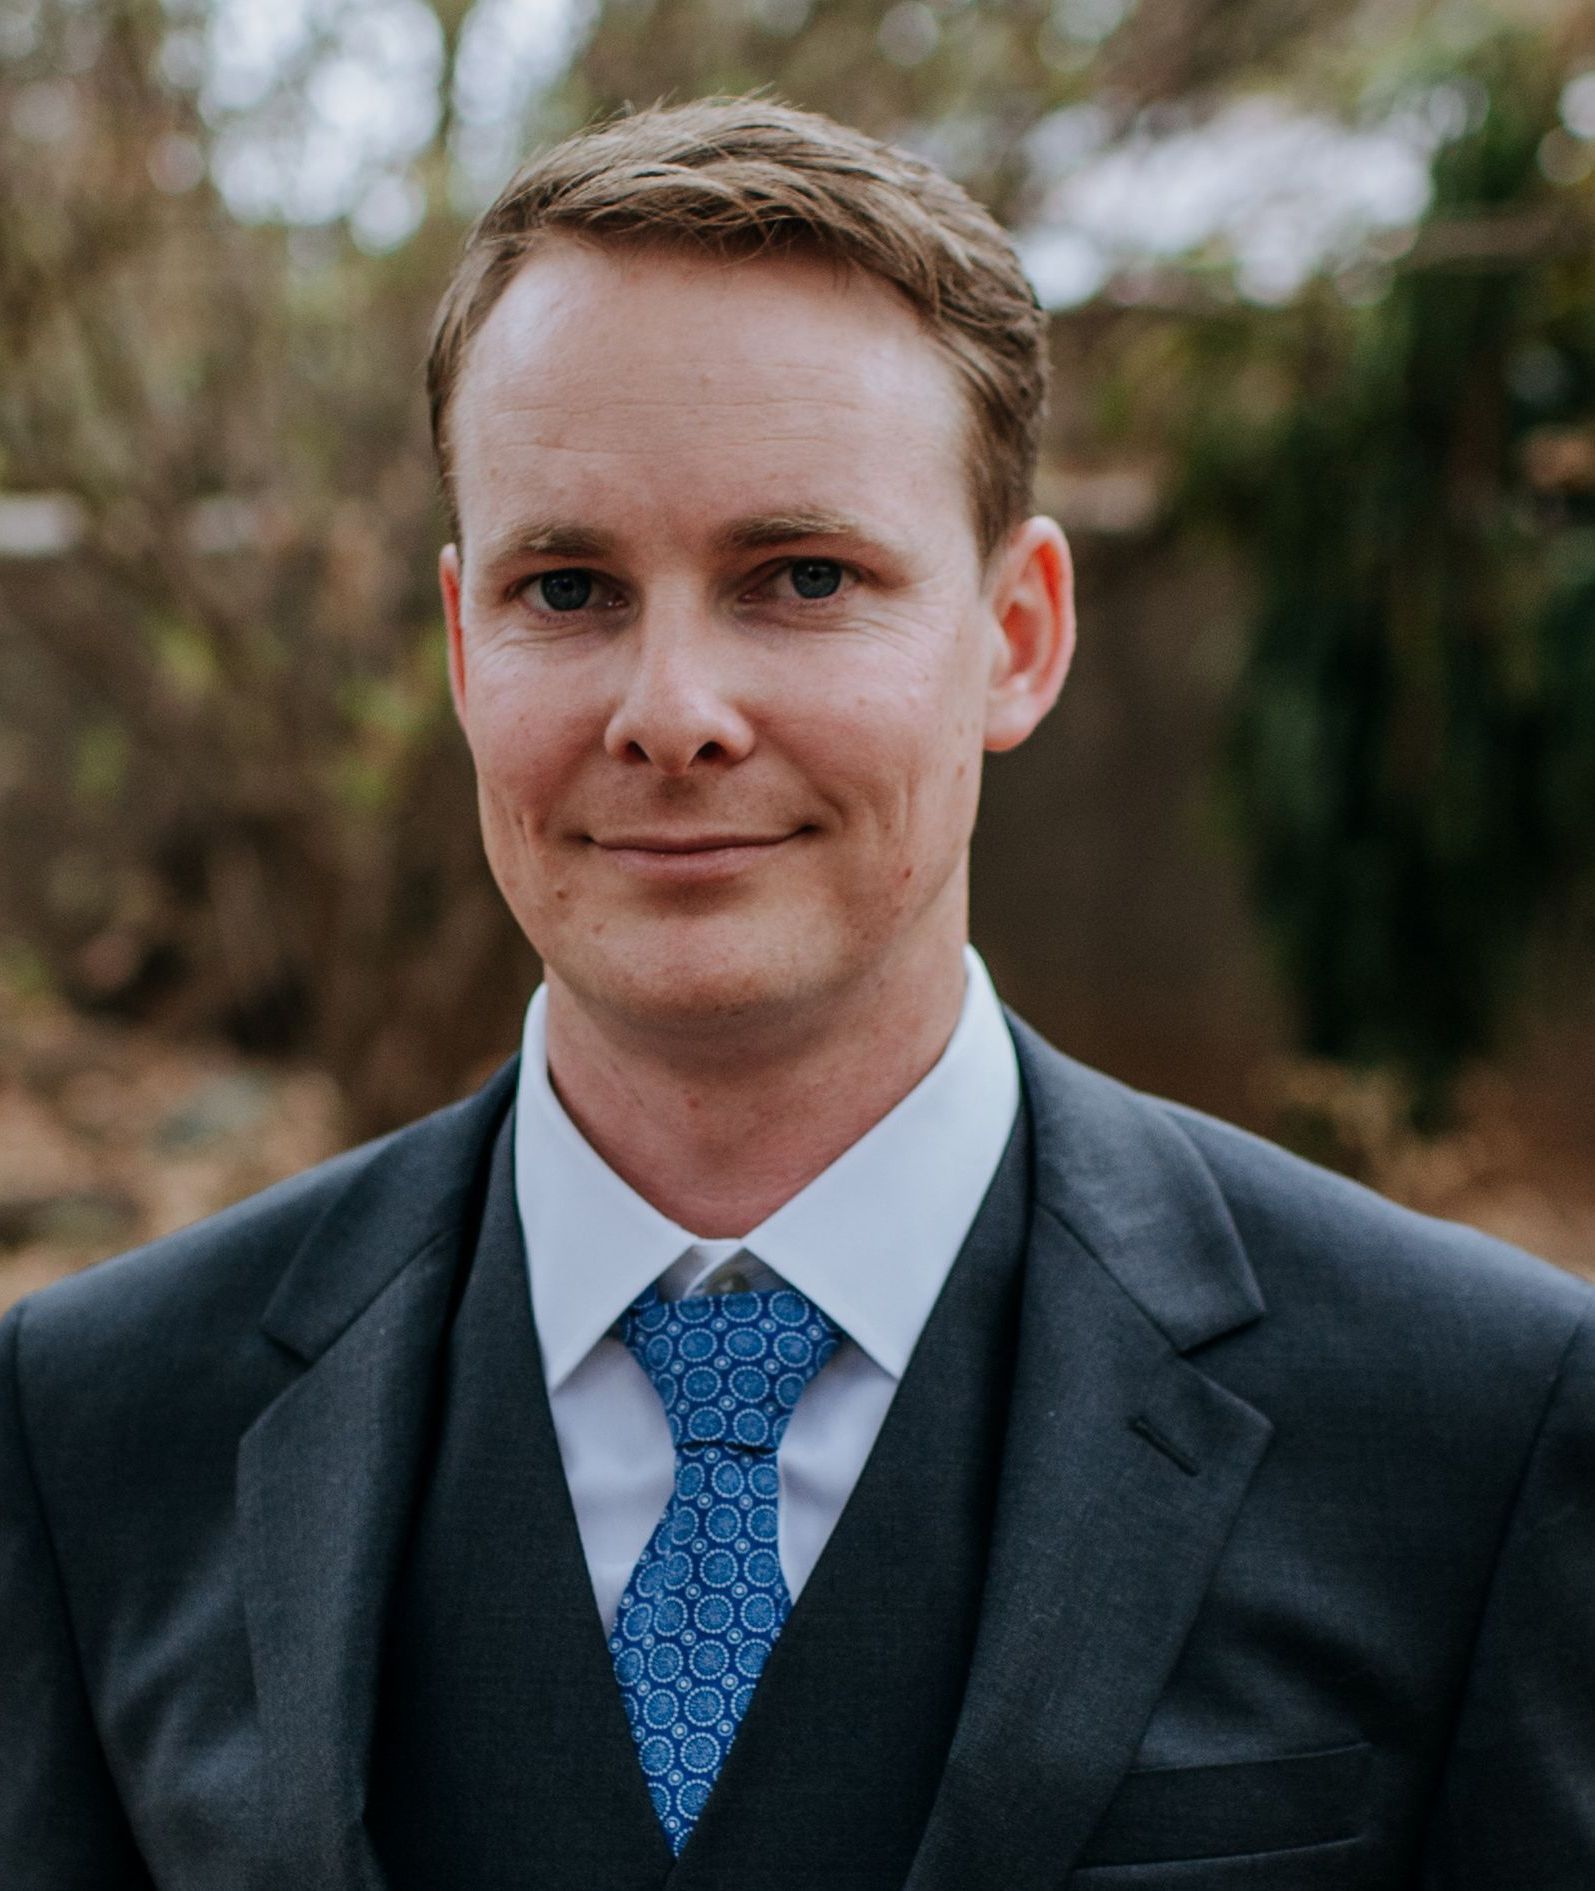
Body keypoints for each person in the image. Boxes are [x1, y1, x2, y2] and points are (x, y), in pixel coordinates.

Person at [2, 97, 1591, 1891]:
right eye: (568, 586)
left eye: (802, 577)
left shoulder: (1473, 1426)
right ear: (459, 646)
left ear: (1017, 636)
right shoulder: (95, 1429)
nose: (671, 711)